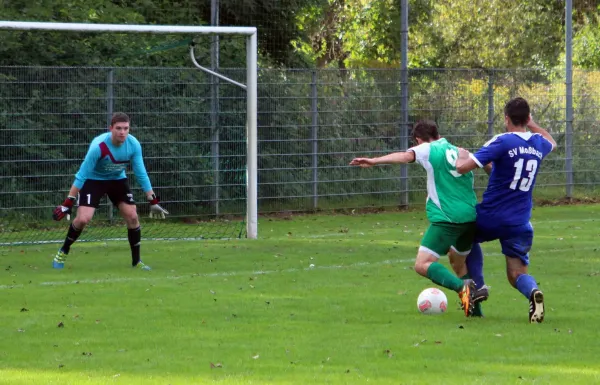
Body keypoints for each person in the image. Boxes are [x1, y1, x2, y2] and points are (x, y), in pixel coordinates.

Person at [350, 120, 479, 316]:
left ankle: (463, 288)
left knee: (422, 264)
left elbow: (404, 156)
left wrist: (373, 161)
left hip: (447, 218)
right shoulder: (461, 151)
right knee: (458, 263)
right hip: (470, 218)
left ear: (418, 140)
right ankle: (476, 312)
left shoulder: (428, 148)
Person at [456, 97, 556, 323]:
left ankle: (478, 287)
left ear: (506, 119)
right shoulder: (538, 143)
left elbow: (463, 167)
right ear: (528, 118)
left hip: (491, 216)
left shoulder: (502, 141)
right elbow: (552, 141)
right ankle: (533, 293)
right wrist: (532, 125)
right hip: (520, 222)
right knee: (516, 274)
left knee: (464, 234)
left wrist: (462, 156)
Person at [51, 112, 169, 270]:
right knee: (83, 219)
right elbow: (82, 175)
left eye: (126, 128)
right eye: (118, 128)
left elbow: (141, 173)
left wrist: (152, 200)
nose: (122, 132)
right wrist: (68, 202)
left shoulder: (133, 144)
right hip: (94, 180)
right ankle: (63, 251)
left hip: (117, 179)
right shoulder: (98, 146)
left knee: (132, 216)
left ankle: (137, 262)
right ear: (111, 129)